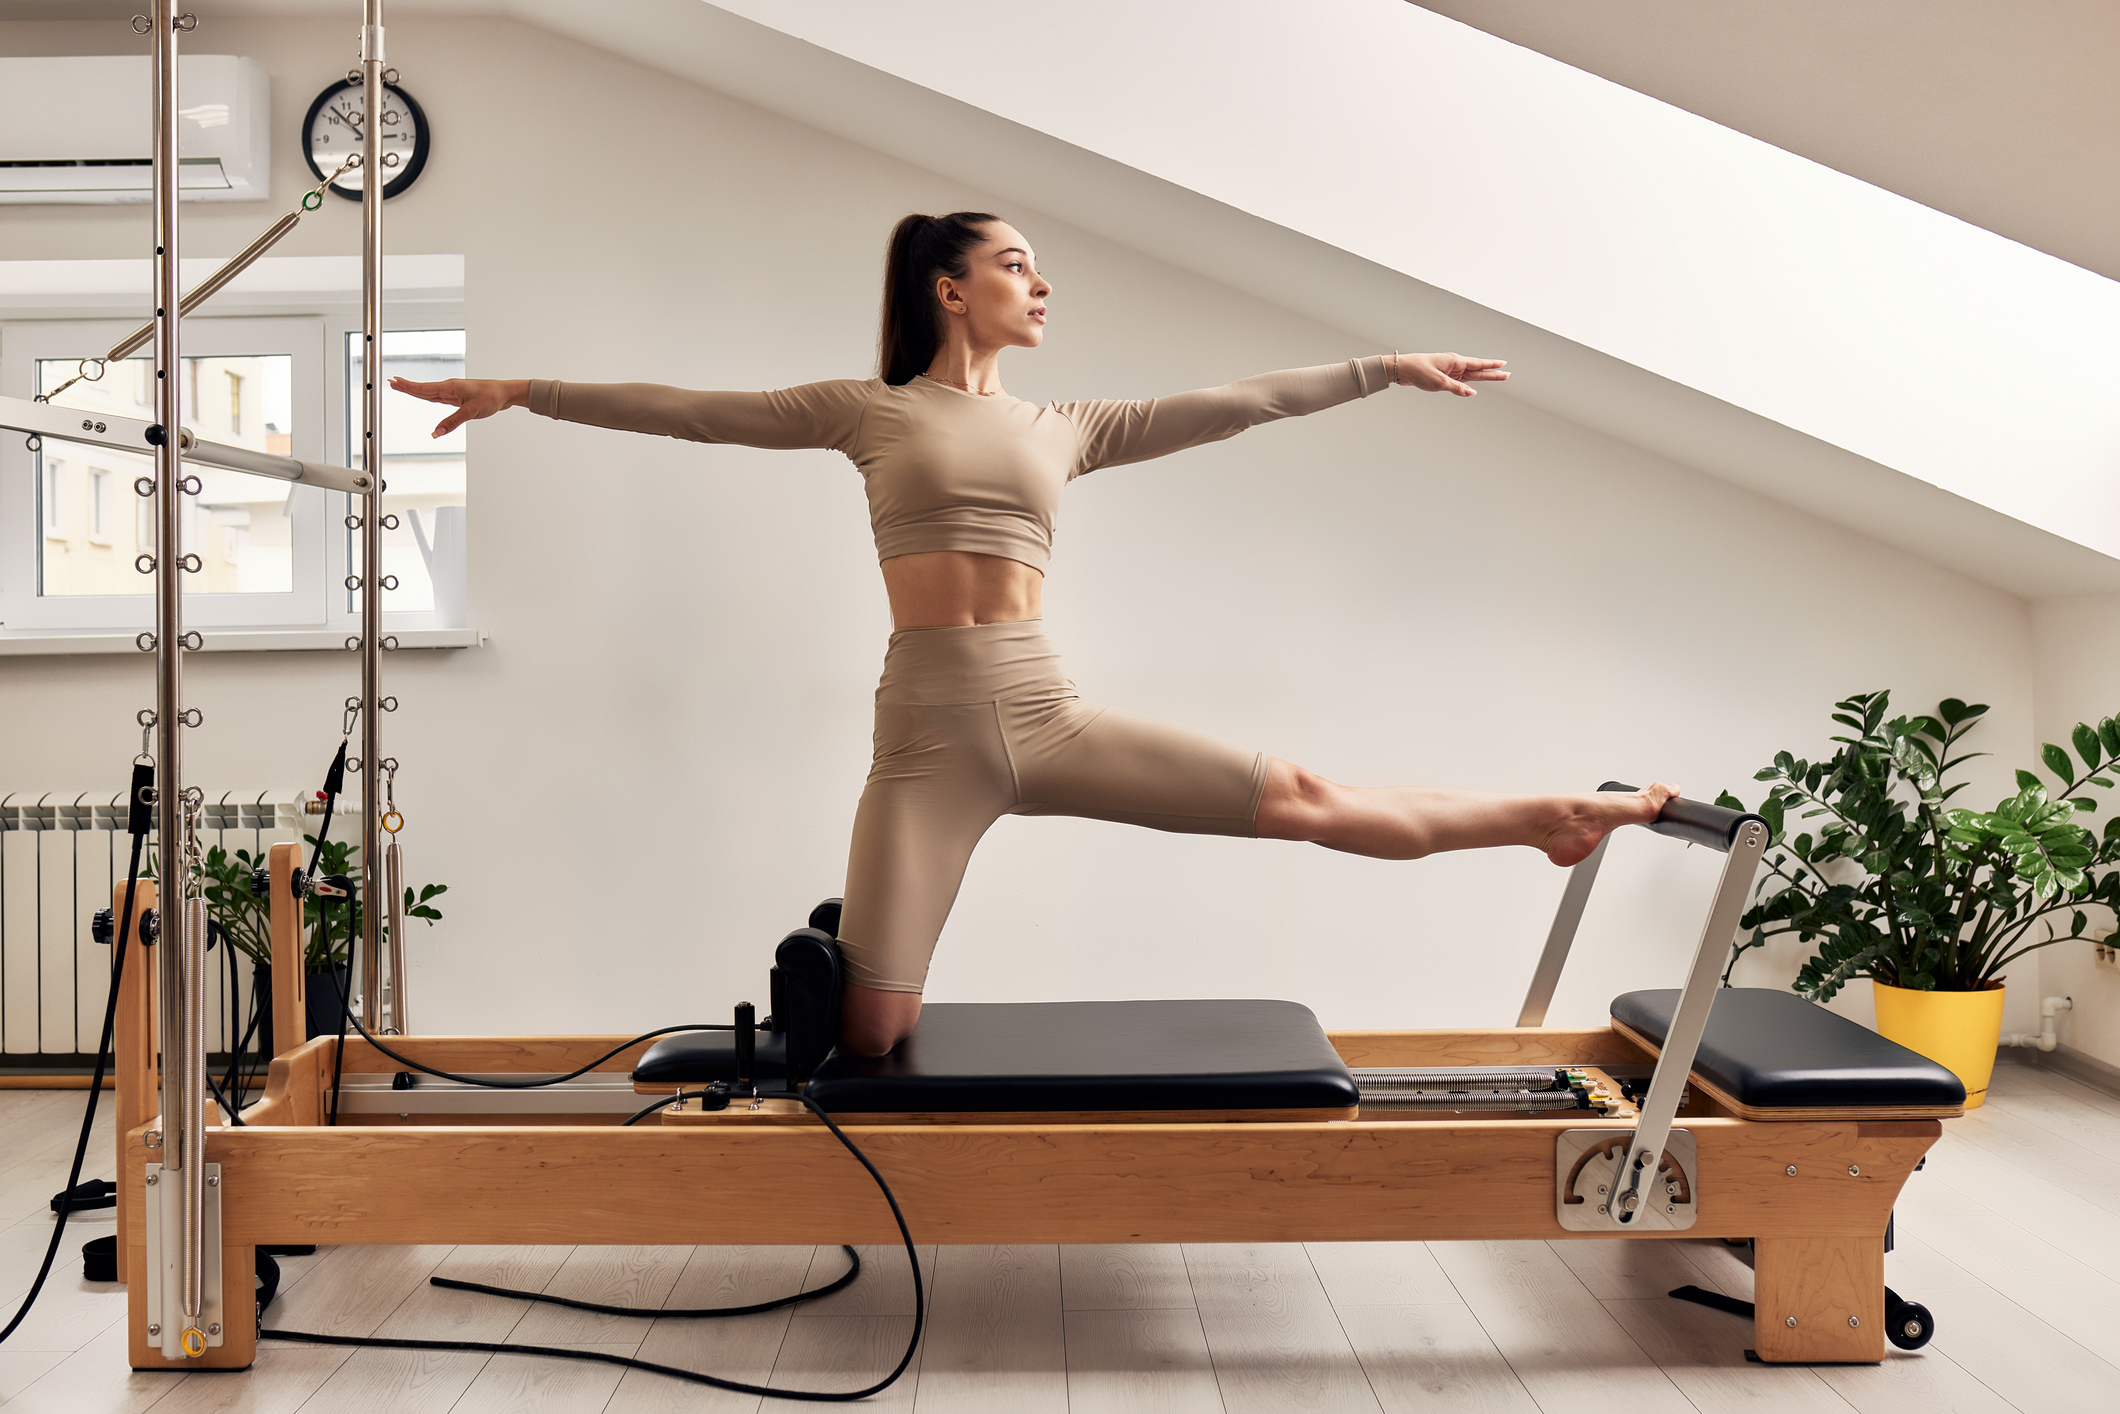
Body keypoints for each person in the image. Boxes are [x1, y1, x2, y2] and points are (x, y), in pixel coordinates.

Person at [393, 211, 1677, 1056]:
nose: (1040, 281)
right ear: (948, 289)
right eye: (1015, 263)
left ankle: (1548, 816)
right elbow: (694, 412)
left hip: (1046, 710)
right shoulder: (868, 410)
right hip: (925, 740)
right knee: (874, 1029)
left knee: (1301, 794)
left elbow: (1228, 405)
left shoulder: (1066, 424)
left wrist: (1377, 368)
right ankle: (834, 971)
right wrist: (521, 392)